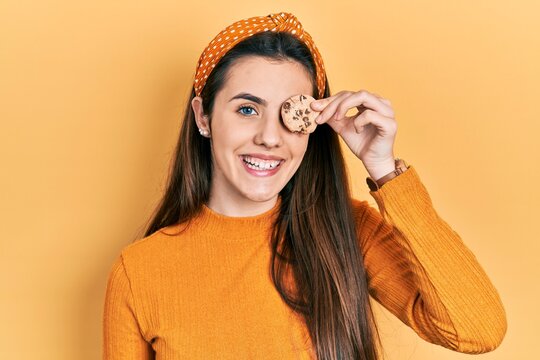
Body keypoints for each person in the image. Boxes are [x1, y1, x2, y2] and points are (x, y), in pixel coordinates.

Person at [102, 11, 507, 360]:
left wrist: (384, 170)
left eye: (289, 114)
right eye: (247, 109)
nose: (270, 137)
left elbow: (477, 330)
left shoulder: (347, 230)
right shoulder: (139, 271)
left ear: (311, 124)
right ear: (203, 117)